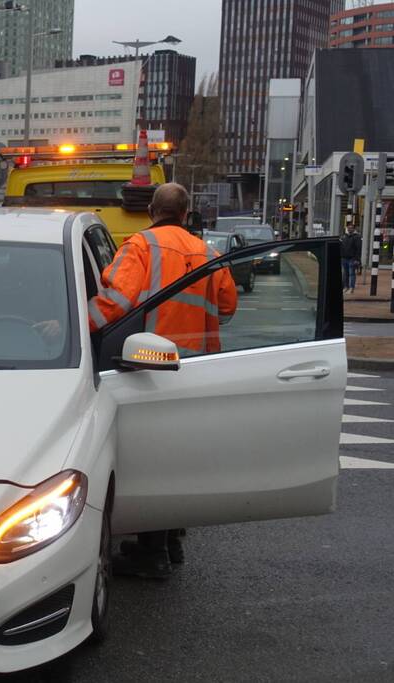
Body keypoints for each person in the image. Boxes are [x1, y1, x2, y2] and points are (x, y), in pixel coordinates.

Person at [88, 182, 238, 579]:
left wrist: (73, 325)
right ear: (187, 214)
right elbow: (227, 307)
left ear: (152, 210)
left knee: (154, 454)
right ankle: (169, 539)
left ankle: (152, 552)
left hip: (150, 361)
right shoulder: (208, 252)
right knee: (181, 453)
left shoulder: (140, 246)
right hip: (198, 368)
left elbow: (116, 301)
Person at [340, 224, 362, 292]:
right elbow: (341, 247)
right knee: (345, 273)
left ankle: (351, 288)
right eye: (348, 228)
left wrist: (357, 259)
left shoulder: (357, 237)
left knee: (351, 273)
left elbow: (358, 249)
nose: (350, 229)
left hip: (352, 258)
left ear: (354, 229)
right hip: (344, 258)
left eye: (351, 228)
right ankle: (346, 287)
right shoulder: (344, 236)